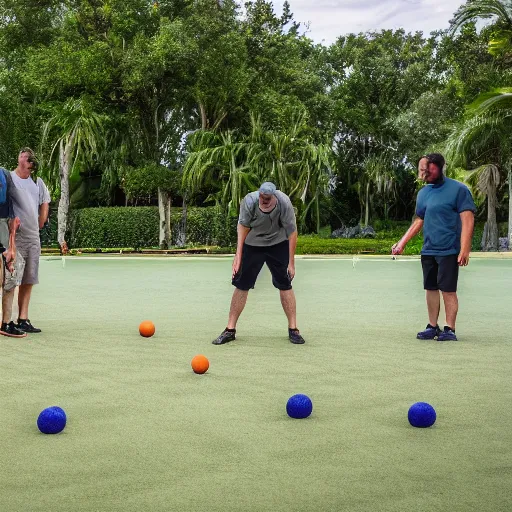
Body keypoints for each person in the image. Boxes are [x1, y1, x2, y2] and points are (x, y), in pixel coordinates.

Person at [392, 153, 475, 341]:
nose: (425, 174)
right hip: (429, 249)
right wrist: (402, 242)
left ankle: (449, 329)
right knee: (430, 288)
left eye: (429, 170)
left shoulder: (458, 190)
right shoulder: (424, 193)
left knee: (448, 289)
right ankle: (432, 326)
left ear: (440, 167)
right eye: (423, 171)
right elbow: (419, 219)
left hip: (449, 249)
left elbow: (467, 219)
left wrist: (465, 249)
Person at [213, 182, 305, 345]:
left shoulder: (284, 203)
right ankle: (230, 330)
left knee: (285, 284)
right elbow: (242, 228)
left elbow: (292, 232)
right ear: (259, 195)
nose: (264, 201)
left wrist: (291, 263)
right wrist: (238, 257)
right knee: (241, 284)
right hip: (253, 244)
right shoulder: (249, 201)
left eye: (268, 199)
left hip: (278, 243)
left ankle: (293, 329)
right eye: (262, 198)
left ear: (274, 196)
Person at [8, 148, 50, 333]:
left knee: (29, 278)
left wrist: (41, 221)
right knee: (11, 278)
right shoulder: (10, 179)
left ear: (32, 164)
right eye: (22, 155)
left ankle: (23, 318)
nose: (24, 158)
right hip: (16, 236)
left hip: (33, 236)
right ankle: (6, 320)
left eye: (27, 157)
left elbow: (45, 200)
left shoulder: (37, 182)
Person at [0, 167, 26, 338]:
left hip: (3, 226)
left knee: (14, 267)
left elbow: (12, 213)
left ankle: (6, 322)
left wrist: (11, 247)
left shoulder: (4, 174)